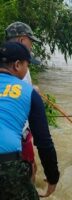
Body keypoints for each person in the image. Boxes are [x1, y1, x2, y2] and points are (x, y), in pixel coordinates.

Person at [0, 42, 59, 199]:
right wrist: (53, 178)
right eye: (27, 65)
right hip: (6, 165)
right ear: (17, 65)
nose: (28, 70)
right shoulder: (29, 92)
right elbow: (44, 142)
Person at [5, 21, 42, 182]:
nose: (32, 45)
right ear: (21, 40)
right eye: (30, 41)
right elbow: (44, 140)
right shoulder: (20, 65)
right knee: (29, 171)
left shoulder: (7, 61)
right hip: (19, 134)